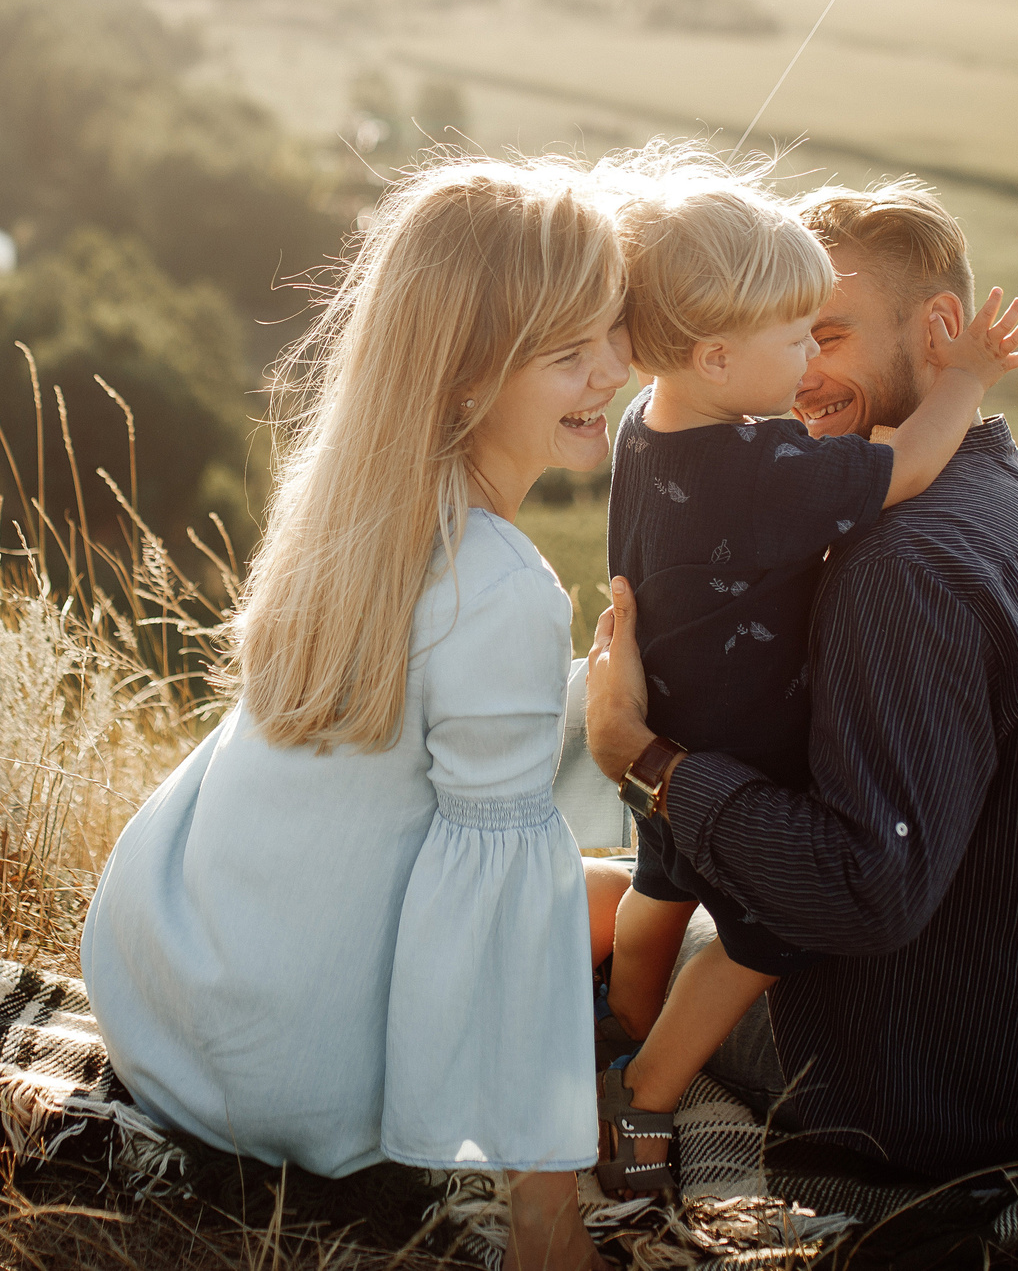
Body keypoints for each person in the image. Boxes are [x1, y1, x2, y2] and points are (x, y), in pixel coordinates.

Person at [82, 157, 632, 1271]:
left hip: (166, 991)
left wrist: (587, 701)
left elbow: (400, 743)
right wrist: (547, 1205)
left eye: (614, 332)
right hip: (299, 1080)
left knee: (586, 844)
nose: (613, 371)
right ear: (466, 378)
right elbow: (508, 907)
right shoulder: (502, 582)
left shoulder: (347, 499)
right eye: (570, 353)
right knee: (639, 894)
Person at [583, 177, 1018, 1182]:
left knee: (560, 921)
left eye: (821, 335)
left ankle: (627, 1089)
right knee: (627, 884)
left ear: (944, 331)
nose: (796, 377)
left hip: (927, 1077)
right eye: (783, 334)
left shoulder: (898, 566)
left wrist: (642, 759)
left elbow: (862, 894)